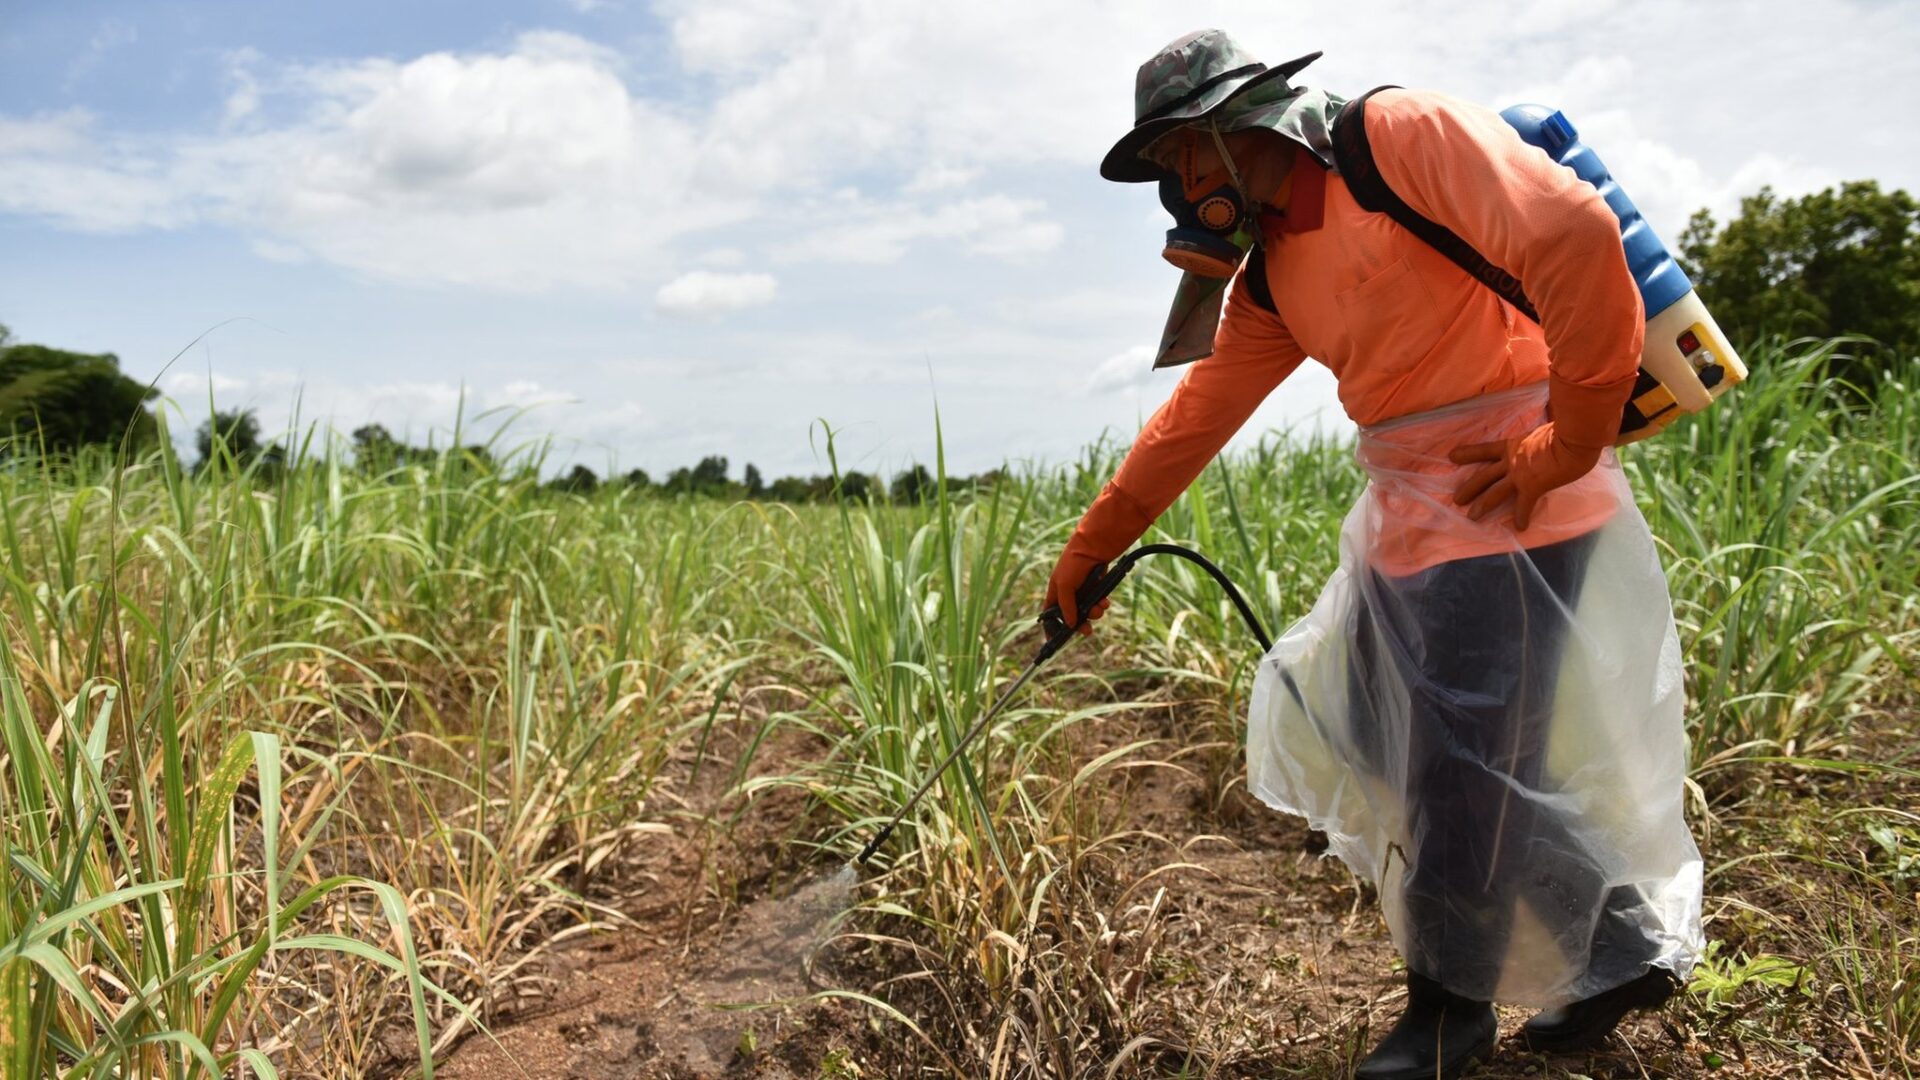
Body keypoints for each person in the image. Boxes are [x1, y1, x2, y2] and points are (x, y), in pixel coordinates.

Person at [1051, 29, 1705, 1080]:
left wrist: (1569, 441)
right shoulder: (1272, 278)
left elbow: (1575, 233)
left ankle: (1450, 1011)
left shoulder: (1393, 139)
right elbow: (1196, 415)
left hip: (1520, 497)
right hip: (1416, 516)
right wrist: (1091, 551)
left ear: (1233, 123)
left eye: (1177, 155)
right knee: (1371, 722)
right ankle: (1622, 942)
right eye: (1163, 168)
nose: (1174, 184)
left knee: (1459, 767)